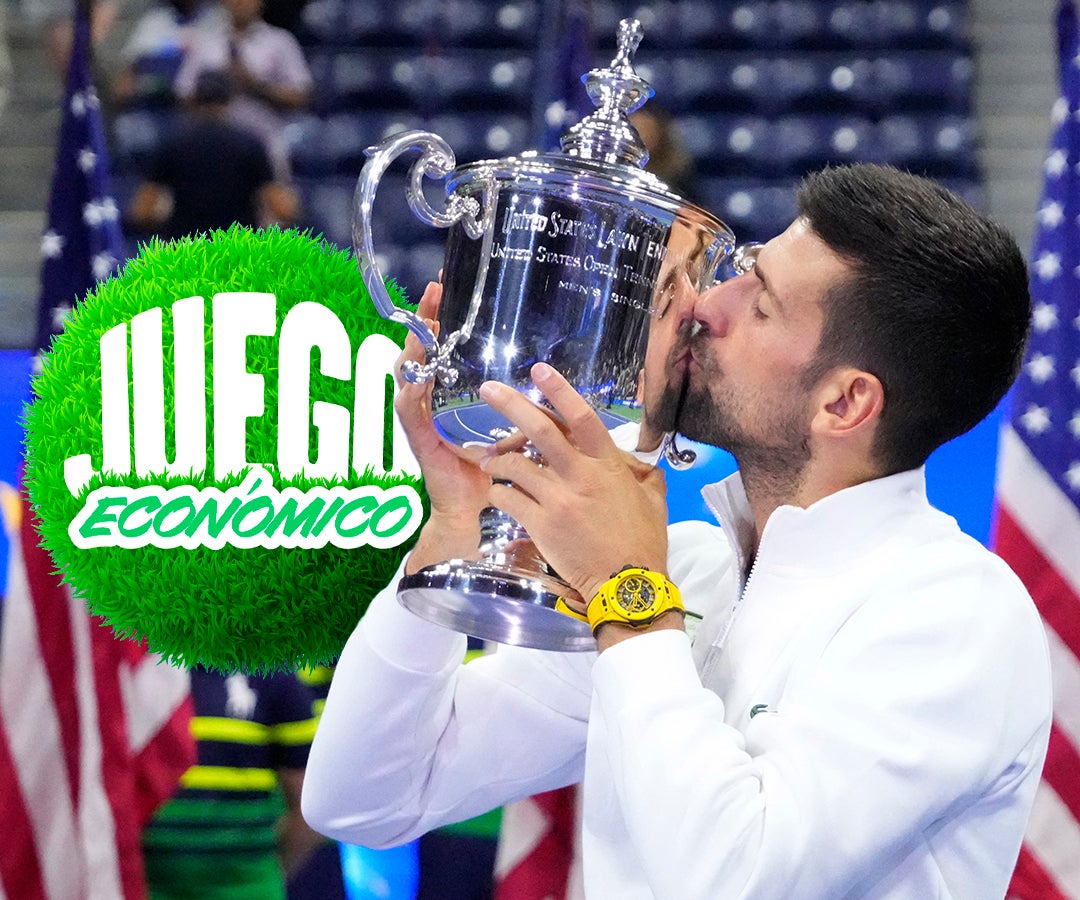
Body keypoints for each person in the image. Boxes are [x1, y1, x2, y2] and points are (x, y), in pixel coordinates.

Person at [301, 164, 1053, 899]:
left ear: (844, 403)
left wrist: (626, 590)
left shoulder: (958, 613)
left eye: (760, 305)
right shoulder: (689, 568)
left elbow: (734, 879)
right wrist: (454, 529)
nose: (702, 305)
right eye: (743, 271)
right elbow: (367, 799)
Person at [143, 666, 324, 899]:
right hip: (148, 890)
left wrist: (260, 874)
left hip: (249, 889)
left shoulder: (268, 671)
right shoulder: (138, 670)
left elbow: (309, 805)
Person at [126, 69, 298, 239]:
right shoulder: (249, 143)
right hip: (237, 254)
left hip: (186, 254)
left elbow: (142, 212)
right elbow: (282, 209)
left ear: (193, 100)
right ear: (230, 99)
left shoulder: (173, 144)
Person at [173, 0, 311, 178]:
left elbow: (300, 97)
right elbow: (183, 94)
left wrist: (255, 85)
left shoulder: (280, 41)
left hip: (266, 146)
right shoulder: (206, 43)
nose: (239, 3)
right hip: (214, 150)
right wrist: (216, 89)